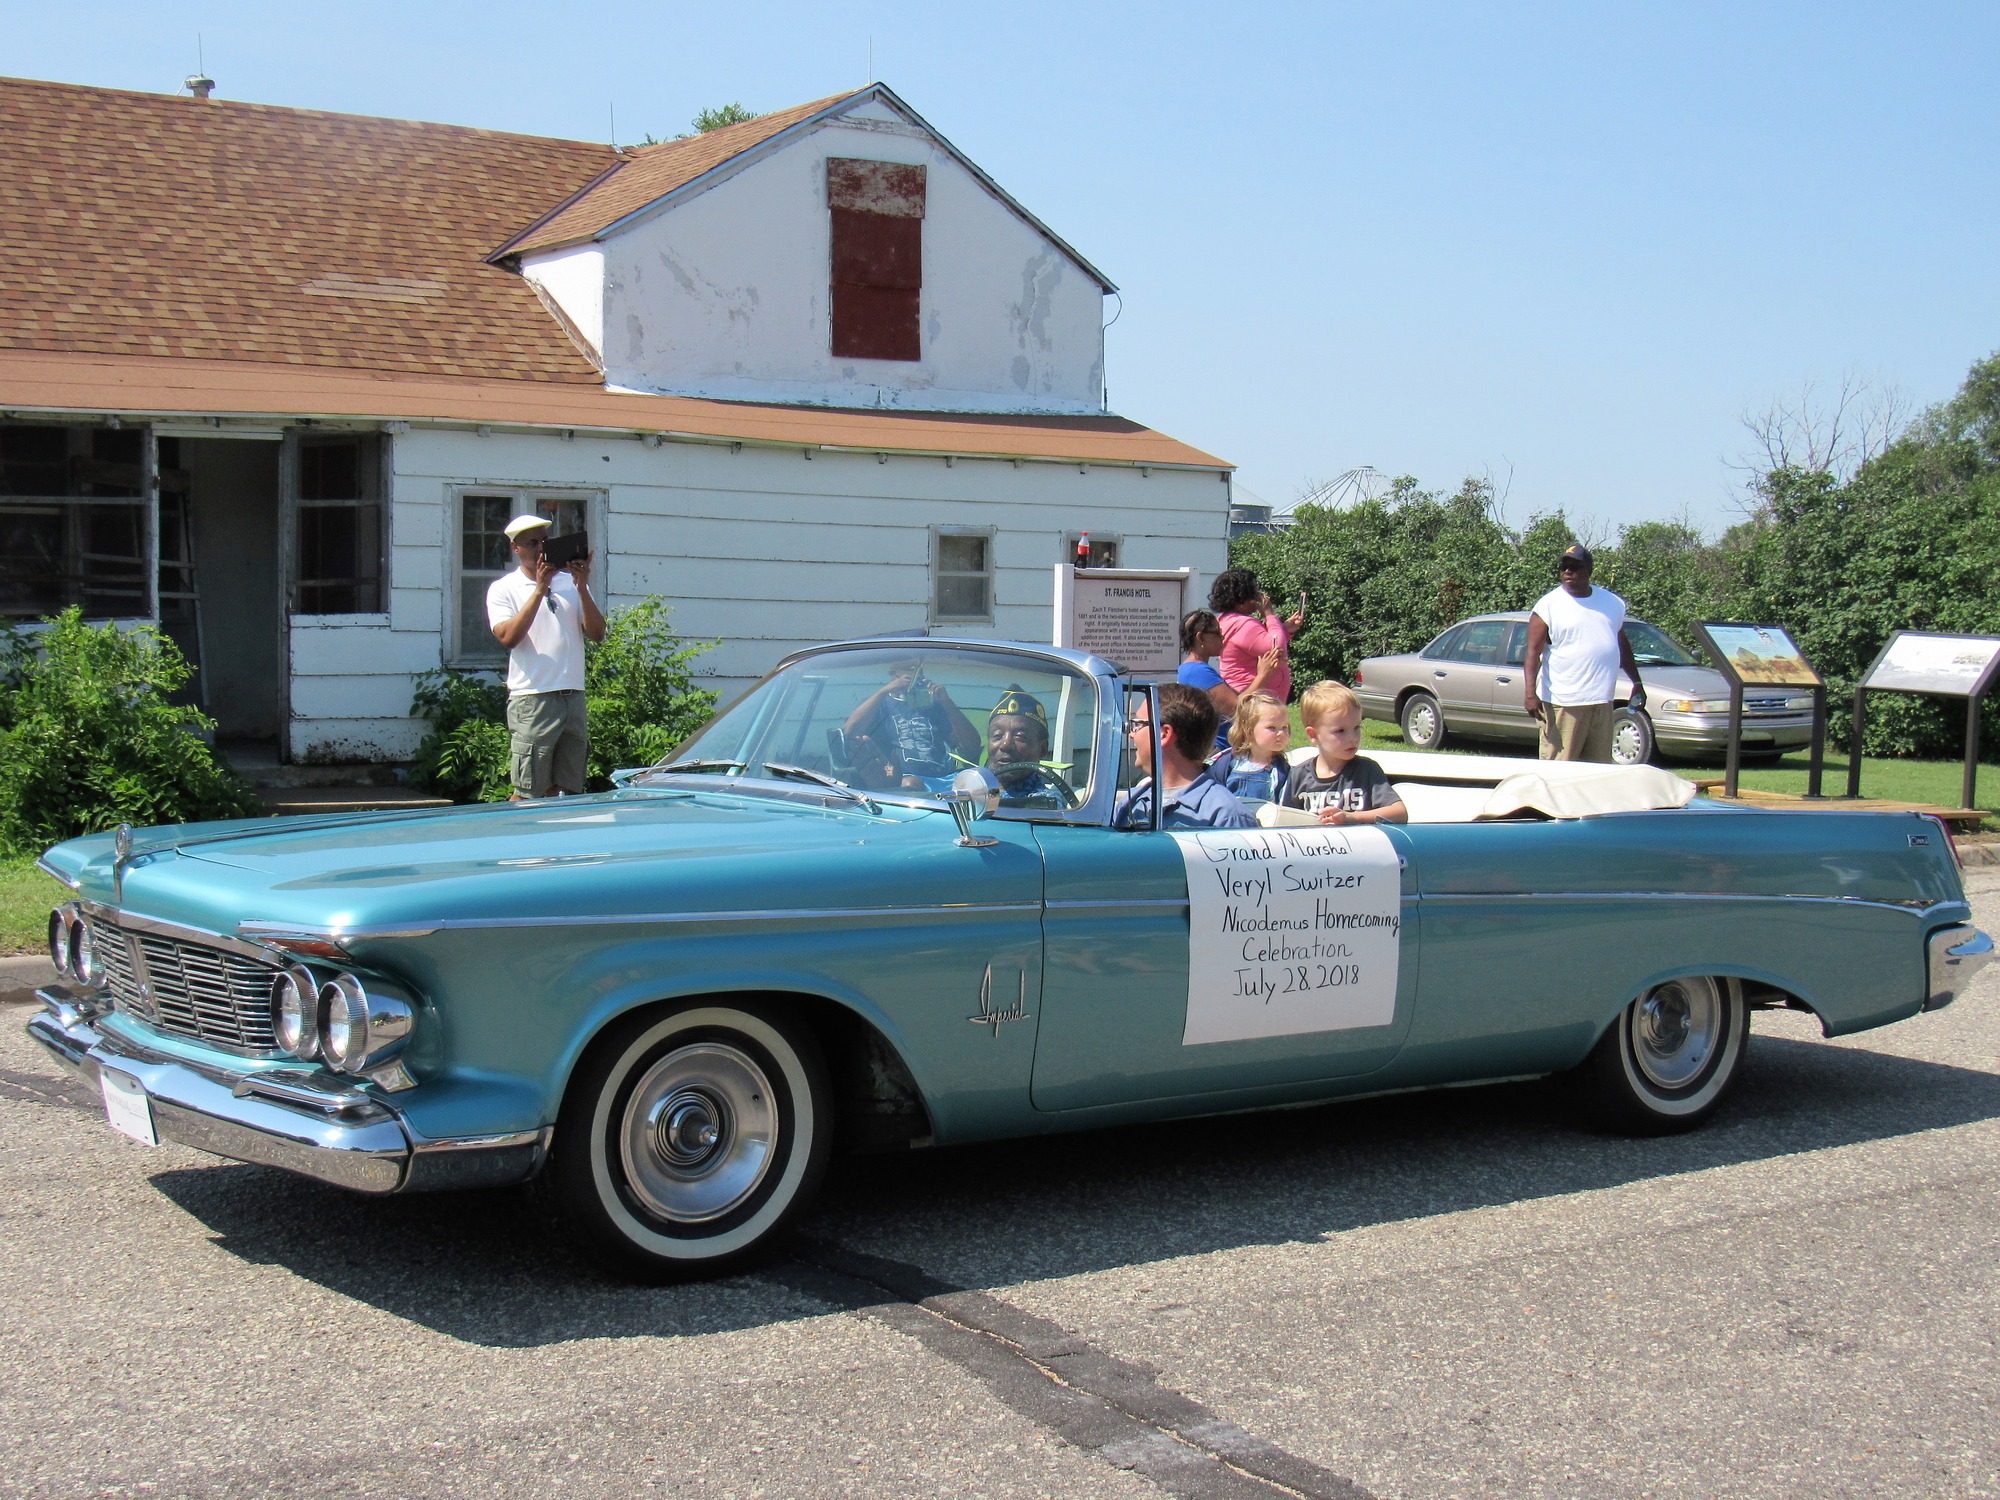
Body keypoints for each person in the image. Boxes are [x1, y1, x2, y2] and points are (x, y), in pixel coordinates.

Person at [487, 513, 606, 798]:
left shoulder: (570, 583)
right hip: (533, 697)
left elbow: (598, 633)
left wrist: (582, 586)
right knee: (529, 787)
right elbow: (508, 637)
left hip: (573, 695)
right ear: (516, 548)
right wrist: (540, 589)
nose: (541, 548)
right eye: (532, 543)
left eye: (545, 541)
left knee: (567, 786)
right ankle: (513, 836)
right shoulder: (504, 589)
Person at [1522, 543, 1646, 763]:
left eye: (1575, 567)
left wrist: (1637, 681)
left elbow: (1620, 643)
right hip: (1564, 702)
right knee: (1560, 769)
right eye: (1564, 567)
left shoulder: (1611, 603)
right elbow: (1532, 652)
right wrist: (1530, 694)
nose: (1568, 571)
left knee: (1596, 771)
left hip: (1601, 700)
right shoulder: (1548, 606)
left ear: (1589, 570)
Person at [1114, 683, 1254, 830]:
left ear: (1164, 734)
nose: (1131, 734)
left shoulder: (1225, 816)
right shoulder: (1131, 804)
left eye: (1138, 724)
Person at [1282, 680, 1407, 826]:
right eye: (1340, 731)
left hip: (1359, 847)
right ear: (1313, 735)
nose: (1353, 737)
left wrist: (1352, 818)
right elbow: (1285, 822)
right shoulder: (1298, 776)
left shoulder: (1366, 770)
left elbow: (1399, 813)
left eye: (1357, 727)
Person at [844, 658, 981, 786]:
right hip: (900, 779)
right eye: (909, 675)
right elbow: (850, 730)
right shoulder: (880, 704)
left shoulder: (933, 705)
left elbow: (972, 743)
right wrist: (883, 691)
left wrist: (946, 702)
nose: (915, 682)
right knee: (911, 784)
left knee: (977, 785)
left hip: (945, 777)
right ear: (894, 676)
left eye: (919, 675)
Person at [1178, 608, 1279, 752]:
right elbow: (1236, 707)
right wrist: (1263, 674)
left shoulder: (1192, 669)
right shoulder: (1197, 671)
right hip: (1219, 751)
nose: (1223, 637)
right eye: (1217, 633)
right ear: (1200, 637)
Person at [1209, 568, 1302, 707]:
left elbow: (1261, 645)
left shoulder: (1228, 620)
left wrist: (1284, 630)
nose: (1257, 597)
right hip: (1257, 702)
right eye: (1253, 592)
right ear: (1240, 598)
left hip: (1253, 698)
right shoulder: (1242, 624)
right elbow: (1276, 646)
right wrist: (1269, 614)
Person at [983, 685, 1072, 806]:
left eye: (1020, 736)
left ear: (1043, 749)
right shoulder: (963, 784)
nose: (1005, 744)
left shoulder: (1044, 804)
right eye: (997, 736)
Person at [1220, 692, 1291, 805]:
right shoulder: (1229, 762)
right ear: (1250, 732)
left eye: (1284, 727)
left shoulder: (1281, 770)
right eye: (1272, 728)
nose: (1281, 733)